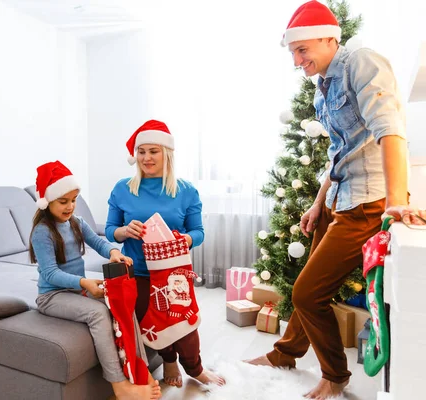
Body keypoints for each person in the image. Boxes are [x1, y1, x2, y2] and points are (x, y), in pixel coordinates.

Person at [245, 1, 426, 399]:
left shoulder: (362, 63)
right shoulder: (323, 83)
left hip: (368, 203)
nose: (296, 60)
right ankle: (286, 353)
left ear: (330, 38)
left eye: (303, 50)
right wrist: (317, 202)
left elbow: (390, 130)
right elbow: (338, 152)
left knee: (307, 293)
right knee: (308, 277)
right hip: (339, 197)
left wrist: (396, 204)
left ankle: (335, 376)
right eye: (292, 52)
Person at [105, 119, 226, 387]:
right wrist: (124, 231)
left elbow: (199, 233)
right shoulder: (122, 188)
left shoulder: (185, 190)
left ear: (166, 153)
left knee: (185, 323)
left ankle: (195, 368)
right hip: (136, 272)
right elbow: (110, 229)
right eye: (141, 151)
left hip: (174, 273)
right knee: (153, 323)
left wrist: (184, 239)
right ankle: (169, 361)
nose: (146, 158)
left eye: (153, 151)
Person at [30, 160, 161, 400]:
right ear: (48, 201)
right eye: (63, 201)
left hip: (76, 291)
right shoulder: (42, 232)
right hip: (52, 296)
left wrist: (114, 252)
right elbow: (49, 274)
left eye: (74, 200)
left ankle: (141, 371)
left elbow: (99, 241)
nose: (70, 206)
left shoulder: (76, 223)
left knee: (123, 303)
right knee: (99, 313)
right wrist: (84, 283)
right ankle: (120, 387)